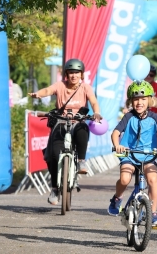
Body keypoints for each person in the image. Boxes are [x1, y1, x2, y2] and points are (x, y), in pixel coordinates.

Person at [29, 58, 102, 205]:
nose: (74, 75)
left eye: (77, 72)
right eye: (71, 72)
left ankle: (81, 161)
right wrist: (39, 94)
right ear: (66, 74)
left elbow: (93, 101)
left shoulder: (85, 88)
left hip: (77, 122)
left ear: (81, 74)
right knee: (53, 155)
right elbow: (48, 90)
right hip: (60, 123)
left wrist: (96, 112)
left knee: (83, 128)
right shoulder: (60, 85)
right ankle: (55, 189)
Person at [108, 80, 157, 227]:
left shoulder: (154, 118)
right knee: (125, 179)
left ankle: (153, 213)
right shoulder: (128, 117)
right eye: (136, 99)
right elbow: (115, 133)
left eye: (143, 99)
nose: (139, 102)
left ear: (150, 100)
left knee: (152, 180)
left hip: (148, 156)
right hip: (129, 155)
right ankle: (117, 198)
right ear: (131, 101)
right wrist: (118, 145)